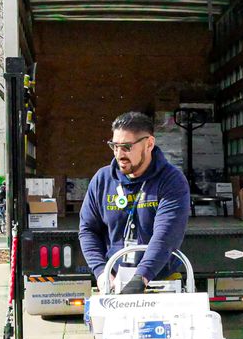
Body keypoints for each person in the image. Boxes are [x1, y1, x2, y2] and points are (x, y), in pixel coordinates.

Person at [79, 111, 190, 294]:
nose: (119, 154)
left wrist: (141, 278)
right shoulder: (102, 179)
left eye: (126, 147)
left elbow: (165, 235)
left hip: (158, 281)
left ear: (149, 144)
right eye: (114, 146)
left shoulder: (171, 181)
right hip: (114, 281)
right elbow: (88, 230)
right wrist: (101, 273)